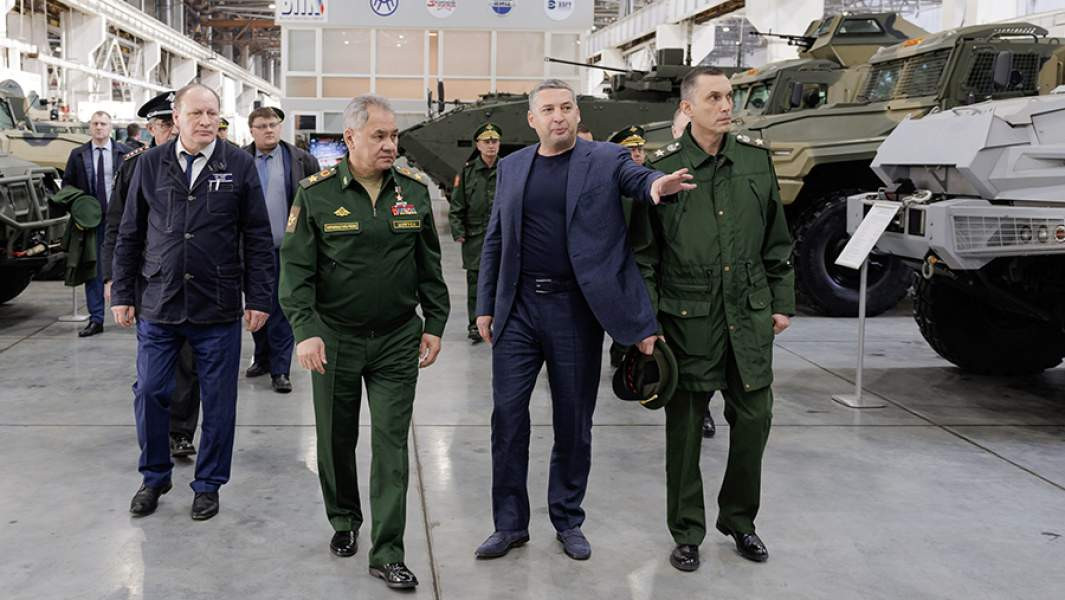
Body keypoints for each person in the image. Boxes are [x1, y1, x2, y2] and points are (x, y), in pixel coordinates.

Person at [473, 79, 694, 562]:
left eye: (566, 107)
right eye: (548, 109)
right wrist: (485, 304)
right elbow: (496, 238)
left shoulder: (606, 159)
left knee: (573, 421)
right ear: (532, 119)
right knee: (507, 418)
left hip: (575, 310)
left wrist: (657, 185)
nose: (558, 116)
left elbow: (638, 179)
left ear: (577, 114)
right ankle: (509, 525)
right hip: (518, 309)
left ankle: (567, 519)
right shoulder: (512, 166)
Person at [279, 94, 449, 591]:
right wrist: (305, 331)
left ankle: (388, 551)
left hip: (397, 338)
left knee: (392, 445)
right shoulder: (315, 195)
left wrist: (435, 322)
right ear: (350, 138)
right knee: (335, 439)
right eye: (380, 136)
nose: (390, 145)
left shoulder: (413, 192)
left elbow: (429, 266)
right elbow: (295, 272)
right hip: (335, 339)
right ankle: (344, 518)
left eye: (394, 136)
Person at [631, 66, 795, 572]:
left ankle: (740, 520)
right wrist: (646, 324)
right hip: (687, 322)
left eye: (729, 97)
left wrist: (781, 302)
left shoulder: (755, 161)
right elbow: (644, 256)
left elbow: (777, 240)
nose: (726, 106)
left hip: (748, 317)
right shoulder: (663, 172)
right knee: (684, 433)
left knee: (754, 421)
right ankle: (686, 531)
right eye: (714, 98)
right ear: (688, 107)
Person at [111, 83, 274, 522]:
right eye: (196, 113)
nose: (205, 121)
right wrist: (122, 292)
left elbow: (257, 237)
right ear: (176, 118)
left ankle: (208, 484)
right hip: (159, 301)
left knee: (219, 401)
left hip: (217, 304)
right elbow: (130, 232)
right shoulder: (149, 164)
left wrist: (259, 297)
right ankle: (154, 477)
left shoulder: (237, 164)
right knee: (150, 391)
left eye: (212, 114)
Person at [100, 91, 200, 458]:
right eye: (164, 125)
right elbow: (117, 228)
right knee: (152, 369)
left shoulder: (202, 164)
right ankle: (154, 429)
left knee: (188, 362)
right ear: (150, 129)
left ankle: (181, 432)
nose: (172, 131)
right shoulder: (135, 167)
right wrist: (115, 280)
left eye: (175, 124)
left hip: (191, 281)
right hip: (149, 281)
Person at [244, 106, 320, 393]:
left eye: (273, 124)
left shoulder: (301, 160)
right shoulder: (240, 160)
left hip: (286, 250)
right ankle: (262, 357)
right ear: (252, 130)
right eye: (262, 126)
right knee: (257, 306)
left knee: (283, 309)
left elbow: (317, 203)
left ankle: (280, 369)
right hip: (250, 252)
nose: (269, 130)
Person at [61, 111, 130, 337]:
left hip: (122, 219)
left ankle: (137, 312)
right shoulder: (78, 155)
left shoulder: (125, 154)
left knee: (131, 263)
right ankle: (96, 318)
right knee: (94, 270)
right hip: (93, 223)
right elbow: (67, 186)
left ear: (111, 127)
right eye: (95, 123)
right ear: (89, 127)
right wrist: (80, 209)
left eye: (103, 123)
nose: (99, 127)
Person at [449, 122, 501, 344]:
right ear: (478, 145)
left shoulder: (508, 169)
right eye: (486, 141)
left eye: (494, 141)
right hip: (475, 237)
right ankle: (475, 325)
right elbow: (457, 205)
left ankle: (501, 322)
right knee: (476, 284)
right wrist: (458, 231)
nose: (491, 145)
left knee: (503, 281)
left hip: (502, 236)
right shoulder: (467, 172)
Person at [606, 124, 648, 369]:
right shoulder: (612, 184)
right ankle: (621, 350)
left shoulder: (654, 178)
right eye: (631, 149)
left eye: (640, 148)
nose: (637, 153)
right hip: (620, 256)